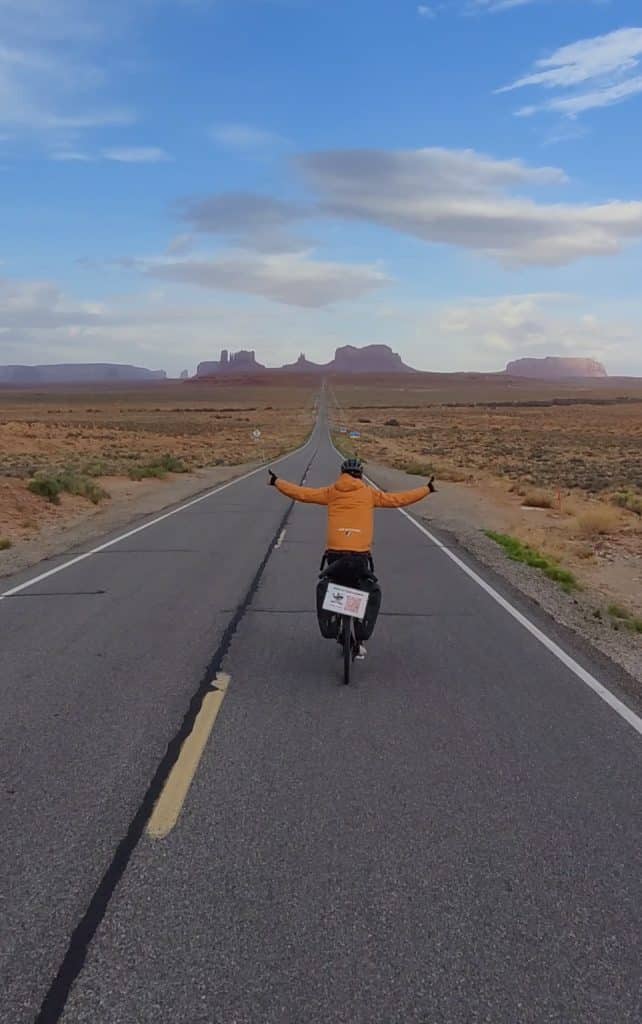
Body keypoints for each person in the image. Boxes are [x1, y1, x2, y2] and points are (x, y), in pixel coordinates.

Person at [268, 457, 436, 656]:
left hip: (335, 554)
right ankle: (359, 636)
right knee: (362, 586)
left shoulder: (331, 492)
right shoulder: (369, 494)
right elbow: (399, 499)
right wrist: (427, 489)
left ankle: (336, 620)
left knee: (334, 582)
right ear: (360, 476)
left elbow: (302, 493)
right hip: (360, 555)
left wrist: (277, 482)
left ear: (342, 474)